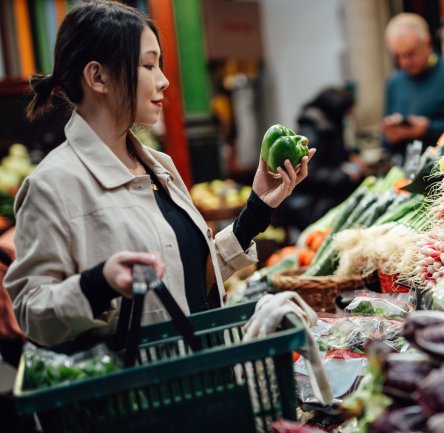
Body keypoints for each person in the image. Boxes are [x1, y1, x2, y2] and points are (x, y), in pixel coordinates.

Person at [4, 1, 314, 347]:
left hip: (205, 366)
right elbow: (31, 313)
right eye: (149, 65)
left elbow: (188, 278)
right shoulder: (51, 186)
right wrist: (98, 284)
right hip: (141, 380)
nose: (164, 81)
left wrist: (256, 210)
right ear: (97, 76)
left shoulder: (158, 165)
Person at [276, 86, 367, 229]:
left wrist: (350, 156)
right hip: (314, 205)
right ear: (337, 110)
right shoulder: (313, 131)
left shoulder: (329, 125)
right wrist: (345, 175)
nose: (350, 117)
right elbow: (309, 172)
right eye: (348, 112)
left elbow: (333, 153)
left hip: (326, 197)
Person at [382, 13, 444, 159]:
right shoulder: (394, 82)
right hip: (405, 166)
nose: (404, 62)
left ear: (427, 43)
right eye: (398, 56)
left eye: (410, 54)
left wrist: (428, 129)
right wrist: (390, 134)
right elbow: (385, 141)